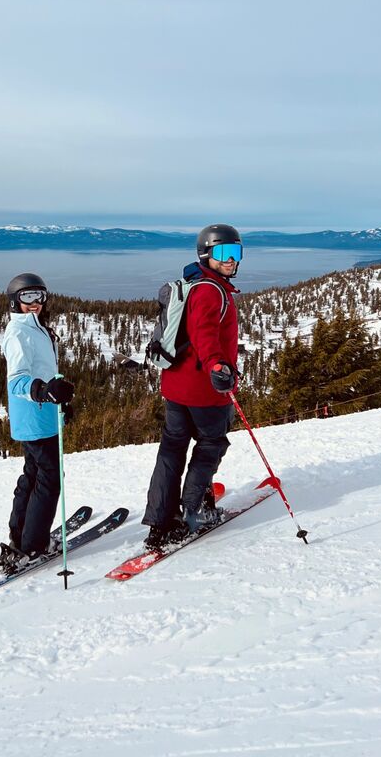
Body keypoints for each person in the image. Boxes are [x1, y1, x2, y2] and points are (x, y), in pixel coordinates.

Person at [142, 224, 243, 548]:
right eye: (223, 254)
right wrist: (218, 366)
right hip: (204, 390)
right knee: (210, 445)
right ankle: (194, 512)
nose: (231, 261)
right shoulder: (210, 291)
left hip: (175, 386)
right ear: (206, 255)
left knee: (172, 450)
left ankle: (160, 520)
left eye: (236, 253)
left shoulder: (196, 284)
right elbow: (204, 335)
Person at [0, 273, 75, 572]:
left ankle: (22, 537)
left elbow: (44, 370)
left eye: (39, 296)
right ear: (15, 301)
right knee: (49, 479)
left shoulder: (37, 328)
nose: (35, 303)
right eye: (27, 297)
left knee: (33, 474)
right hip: (33, 416)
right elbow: (17, 380)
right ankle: (33, 545)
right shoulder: (19, 333)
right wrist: (43, 390)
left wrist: (59, 398)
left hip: (42, 414)